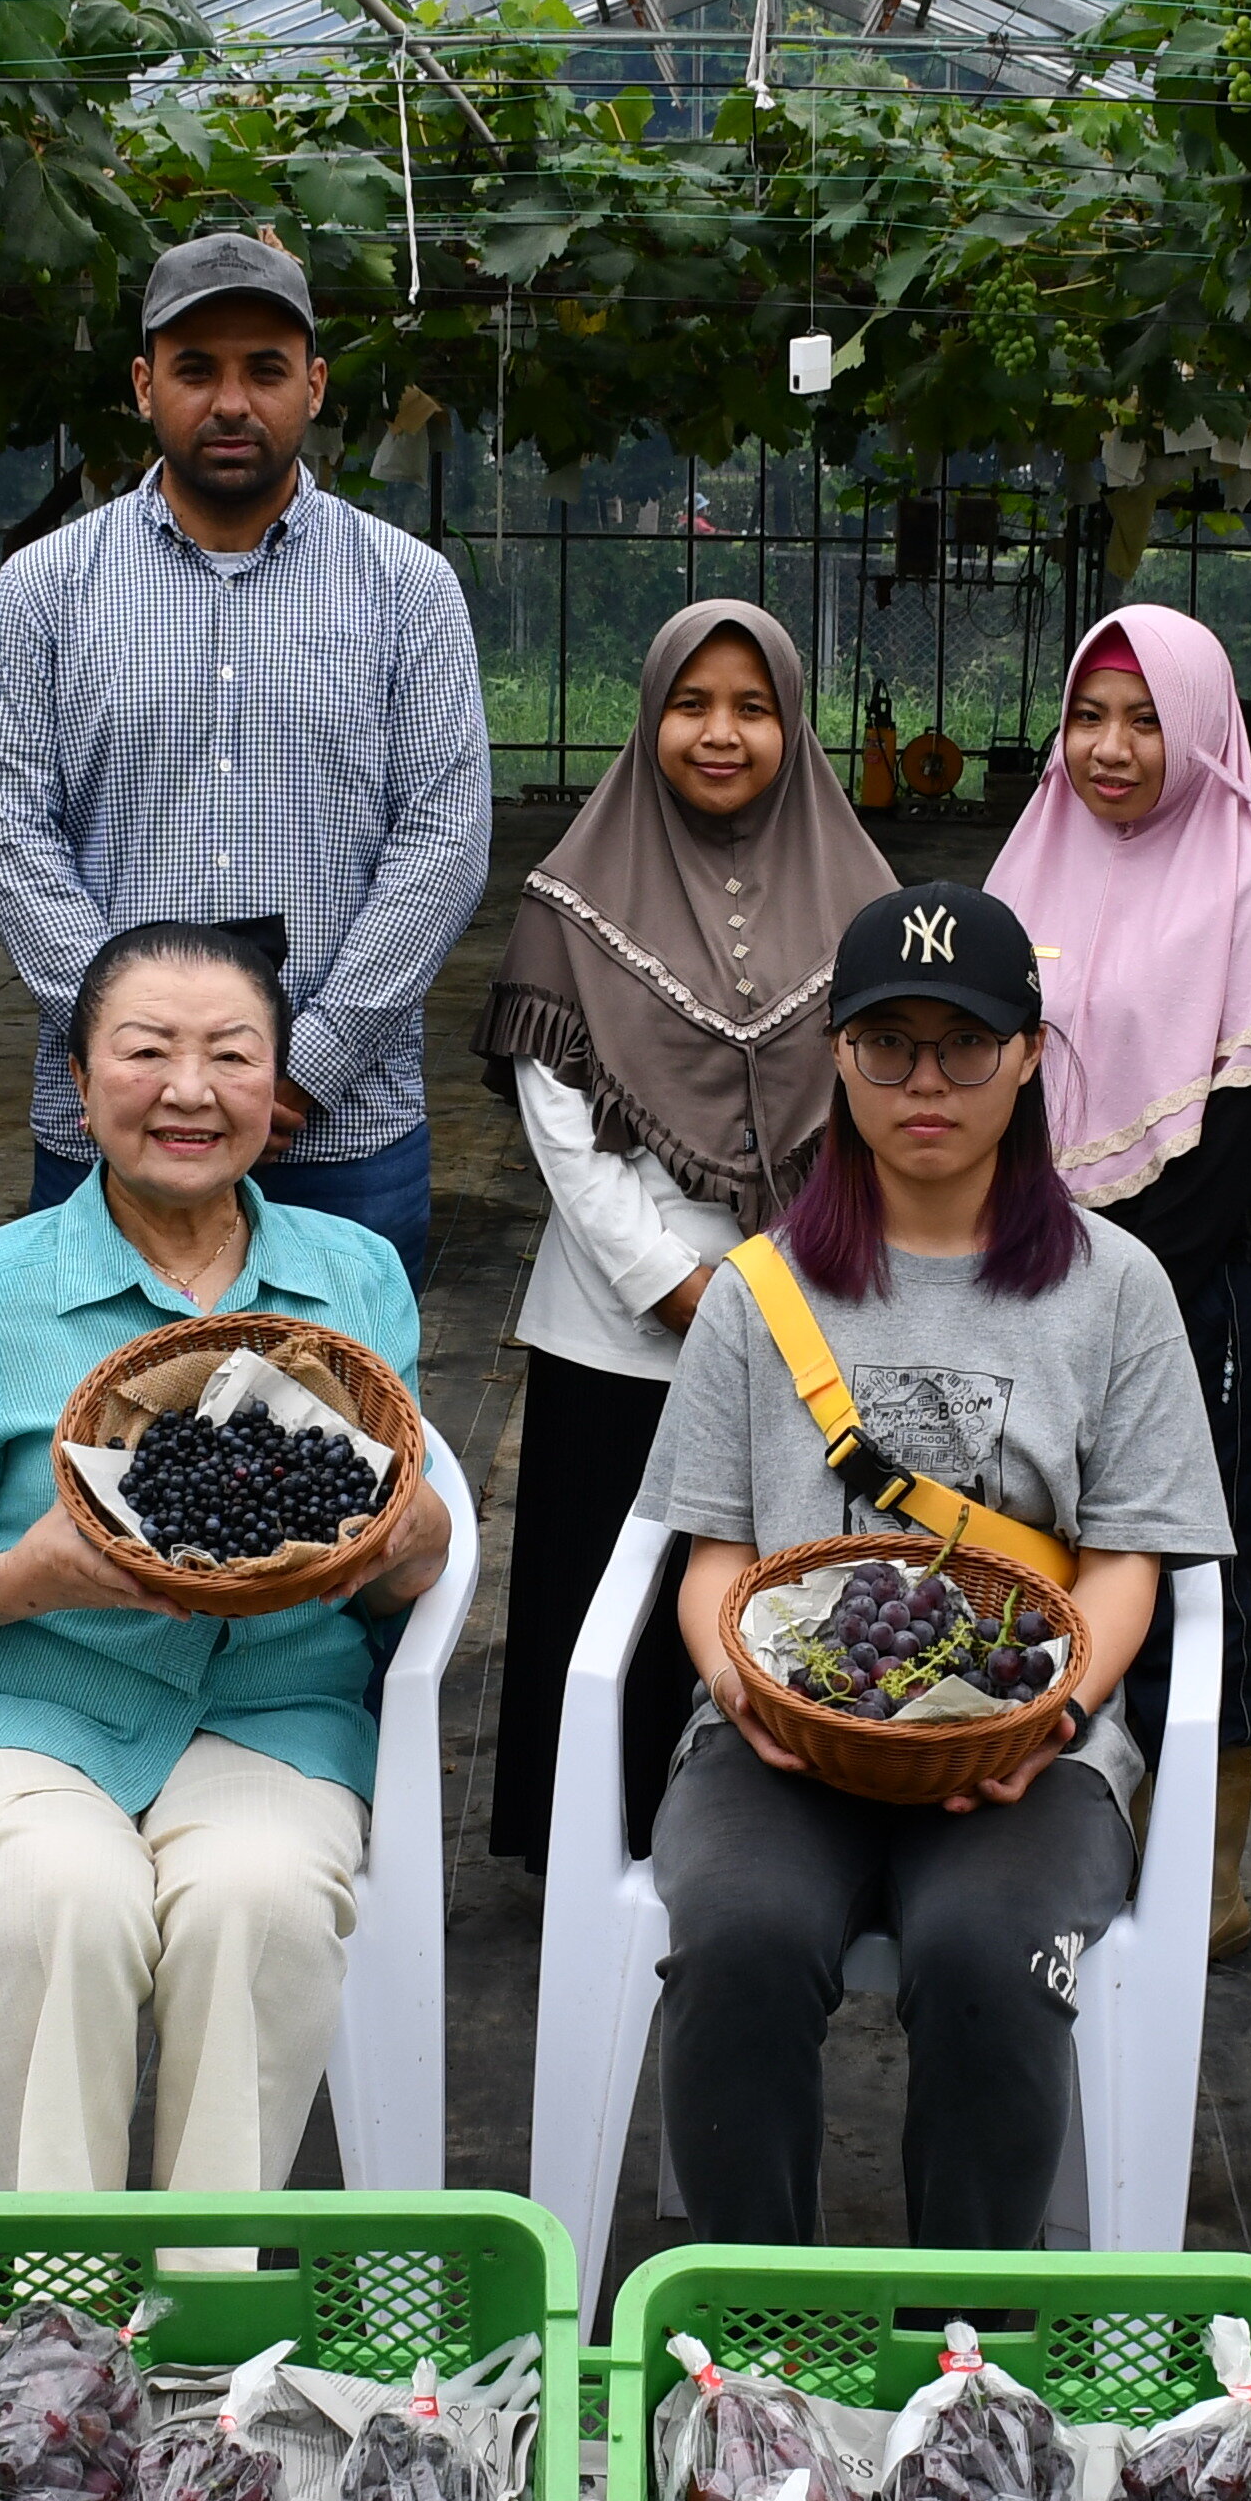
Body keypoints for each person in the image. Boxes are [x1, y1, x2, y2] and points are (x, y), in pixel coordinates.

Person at [638, 884, 1231, 2246]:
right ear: (835, 1059)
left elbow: (1129, 1566)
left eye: (964, 1044)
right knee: (737, 1934)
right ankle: (752, 2350)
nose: (927, 1081)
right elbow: (715, 1558)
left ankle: (968, 2361)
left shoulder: (1117, 1289)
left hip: (1029, 1744)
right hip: (786, 1731)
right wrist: (746, 1695)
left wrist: (1059, 1714)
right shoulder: (757, 1291)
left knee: (985, 1955)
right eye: (886, 1045)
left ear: (1028, 1055)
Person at [0, 922, 458, 2194]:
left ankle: (199, 2315)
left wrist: (419, 1540)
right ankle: (61, 2333)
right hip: (18, 1709)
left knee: (260, 1903)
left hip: (272, 1710)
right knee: (65, 1896)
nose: (189, 1089)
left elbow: (401, 1539)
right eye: (146, 1051)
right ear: (79, 1083)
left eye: (233, 1055)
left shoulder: (354, 1277)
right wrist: (27, 1578)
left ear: (276, 1088)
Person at [0, 229, 494, 1280]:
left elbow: (443, 840)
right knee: (96, 1432)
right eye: (197, 369)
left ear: (315, 384)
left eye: (266, 369)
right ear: (144, 383)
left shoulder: (407, 589)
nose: (233, 401)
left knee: (343, 1429)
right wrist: (143, 1061)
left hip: (336, 1135)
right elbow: (11, 836)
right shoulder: (46, 589)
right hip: (106, 1141)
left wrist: (307, 1061)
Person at [475, 596, 894, 1872]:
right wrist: (671, 1282)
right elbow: (560, 1113)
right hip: (617, 1318)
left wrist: (786, 1273)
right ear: (651, 715)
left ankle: (761, 1846)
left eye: (754, 707)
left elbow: (893, 1098)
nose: (722, 733)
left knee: (778, 1588)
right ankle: (583, 1851)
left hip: (805, 1307)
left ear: (794, 723)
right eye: (692, 705)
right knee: (607, 1589)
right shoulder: (570, 898)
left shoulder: (867, 895)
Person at [984, 608, 1251, 1930]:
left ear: (1200, 729)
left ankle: (1211, 1862)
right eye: (1089, 717)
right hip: (1033, 1273)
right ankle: (1053, 1813)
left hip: (1189, 1294)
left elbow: (1236, 1146)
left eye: (1145, 720)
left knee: (1197, 1563)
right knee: (1041, 1546)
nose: (1111, 749)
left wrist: (1099, 1279)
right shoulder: (1028, 865)